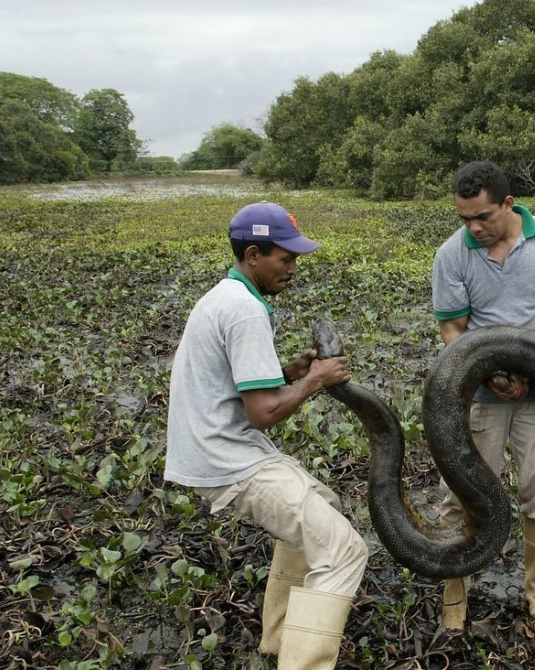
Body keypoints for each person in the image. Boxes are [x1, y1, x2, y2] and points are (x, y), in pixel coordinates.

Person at [163, 202, 368, 670]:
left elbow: (246, 385)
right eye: (286, 258)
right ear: (253, 254)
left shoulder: (227, 296)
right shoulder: (245, 312)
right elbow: (263, 413)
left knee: (318, 513)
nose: (293, 269)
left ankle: (277, 641)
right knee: (344, 551)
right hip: (228, 458)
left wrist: (292, 370)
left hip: (216, 449)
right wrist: (316, 381)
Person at [430, 160, 535, 630]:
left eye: (483, 217)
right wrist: (494, 378)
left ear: (507, 203)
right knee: (461, 493)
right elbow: (453, 329)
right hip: (479, 393)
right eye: (464, 219)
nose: (474, 227)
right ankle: (454, 596)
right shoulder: (452, 255)